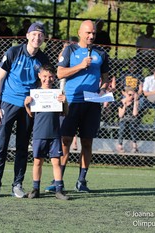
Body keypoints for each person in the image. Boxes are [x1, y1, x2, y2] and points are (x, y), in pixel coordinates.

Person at [0, 22, 50, 198]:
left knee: (22, 146)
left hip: (28, 106)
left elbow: (44, 82)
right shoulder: (13, 52)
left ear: (44, 39)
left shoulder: (43, 59)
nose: (37, 38)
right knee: (1, 144)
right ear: (28, 36)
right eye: (34, 34)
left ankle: (17, 184)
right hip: (8, 103)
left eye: (41, 35)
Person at [56, 20, 109, 193]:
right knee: (65, 141)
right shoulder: (70, 50)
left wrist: (102, 90)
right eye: (88, 33)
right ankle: (58, 181)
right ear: (80, 33)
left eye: (93, 33)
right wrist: (80, 66)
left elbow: (106, 78)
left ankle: (81, 181)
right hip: (71, 102)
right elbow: (60, 73)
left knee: (87, 142)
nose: (91, 36)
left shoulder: (101, 53)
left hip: (92, 104)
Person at [24, 64, 69, 200]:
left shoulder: (57, 94)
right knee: (37, 161)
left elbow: (65, 112)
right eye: (44, 76)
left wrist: (65, 102)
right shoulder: (35, 94)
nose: (47, 79)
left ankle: (59, 190)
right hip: (39, 133)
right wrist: (27, 105)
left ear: (54, 77)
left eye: (50, 77)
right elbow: (31, 114)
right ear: (39, 76)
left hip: (55, 134)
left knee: (56, 162)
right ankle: (35, 189)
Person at [116, 87, 140, 153]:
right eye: (129, 95)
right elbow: (120, 115)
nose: (131, 96)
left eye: (133, 95)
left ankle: (134, 145)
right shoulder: (121, 101)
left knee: (132, 127)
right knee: (122, 127)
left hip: (132, 119)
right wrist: (125, 105)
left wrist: (135, 102)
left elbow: (135, 114)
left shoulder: (135, 102)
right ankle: (120, 145)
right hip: (124, 119)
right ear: (126, 94)